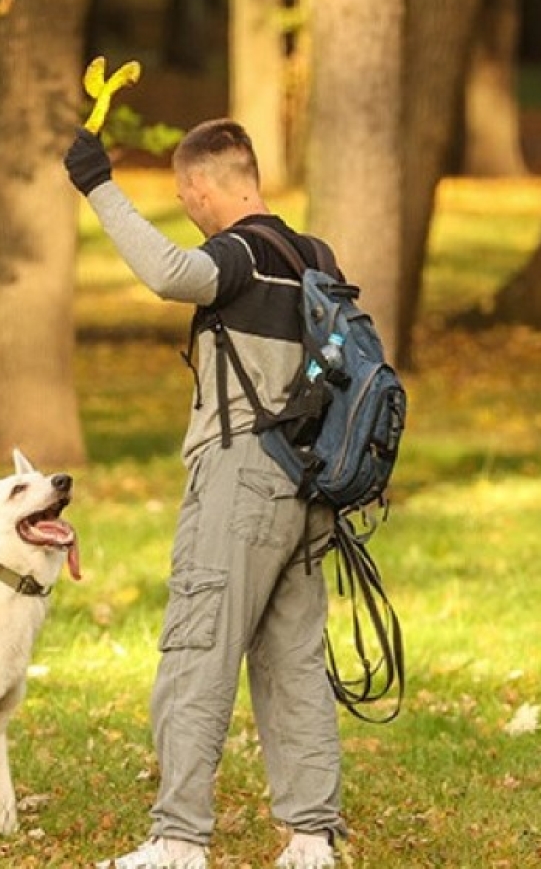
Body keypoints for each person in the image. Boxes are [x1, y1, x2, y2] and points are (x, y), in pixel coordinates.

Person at [65, 120, 347, 869]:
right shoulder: (313, 255)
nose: (189, 208)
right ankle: (312, 839)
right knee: (293, 660)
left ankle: (179, 838)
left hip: (242, 477)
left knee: (198, 648)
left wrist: (99, 188)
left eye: (188, 195)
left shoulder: (243, 253)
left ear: (202, 186)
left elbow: (169, 274)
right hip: (312, 484)